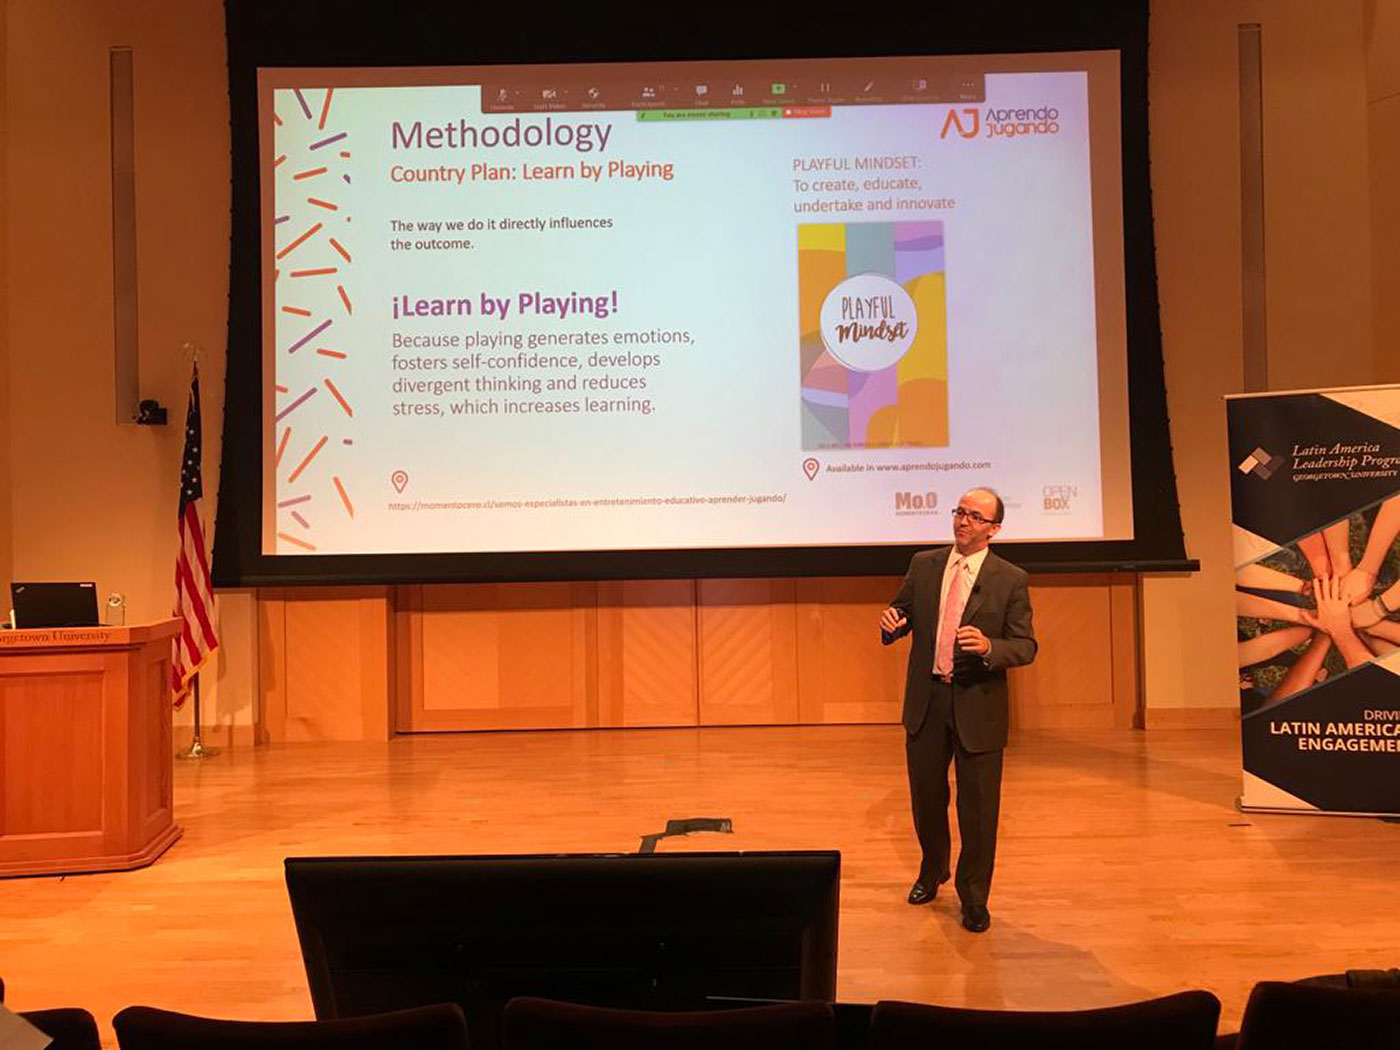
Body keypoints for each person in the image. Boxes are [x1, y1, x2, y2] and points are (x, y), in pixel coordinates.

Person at [879, 487, 1037, 933]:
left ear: (994, 529)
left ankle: (974, 897)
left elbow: (1025, 645)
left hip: (977, 703)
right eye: (960, 512)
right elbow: (901, 613)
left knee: (979, 810)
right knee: (927, 799)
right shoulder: (924, 565)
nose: (963, 521)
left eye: (975, 516)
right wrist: (891, 622)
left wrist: (989, 647)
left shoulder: (1010, 578)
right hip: (927, 701)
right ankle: (933, 871)